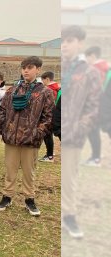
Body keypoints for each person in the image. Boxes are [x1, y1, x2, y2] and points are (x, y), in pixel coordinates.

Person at [0, 56, 55, 217]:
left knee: (29, 171)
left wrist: (37, 134)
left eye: (29, 67)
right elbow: (2, 111)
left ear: (38, 69)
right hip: (12, 140)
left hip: (31, 141)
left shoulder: (45, 92)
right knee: (10, 169)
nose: (26, 71)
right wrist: (5, 129)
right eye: (24, 68)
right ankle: (7, 196)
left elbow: (48, 118)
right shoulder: (12, 90)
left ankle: (29, 199)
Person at [60, 25, 102, 237]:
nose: (65, 44)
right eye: (63, 40)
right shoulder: (61, 69)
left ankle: (68, 216)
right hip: (57, 131)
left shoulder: (89, 72)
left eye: (70, 40)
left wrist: (79, 129)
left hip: (72, 135)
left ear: (80, 43)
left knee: (68, 178)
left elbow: (93, 107)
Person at [82, 46, 109, 167]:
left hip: (98, 107)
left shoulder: (95, 70)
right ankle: (96, 156)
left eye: (87, 57)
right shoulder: (107, 68)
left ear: (92, 56)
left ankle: (96, 158)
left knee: (93, 131)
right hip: (104, 107)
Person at [39, 71, 60, 163]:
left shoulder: (49, 89)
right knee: (49, 135)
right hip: (54, 115)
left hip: (48, 115)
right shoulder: (57, 87)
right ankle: (50, 153)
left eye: (43, 80)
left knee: (47, 135)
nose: (42, 82)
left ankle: (49, 156)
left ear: (47, 79)